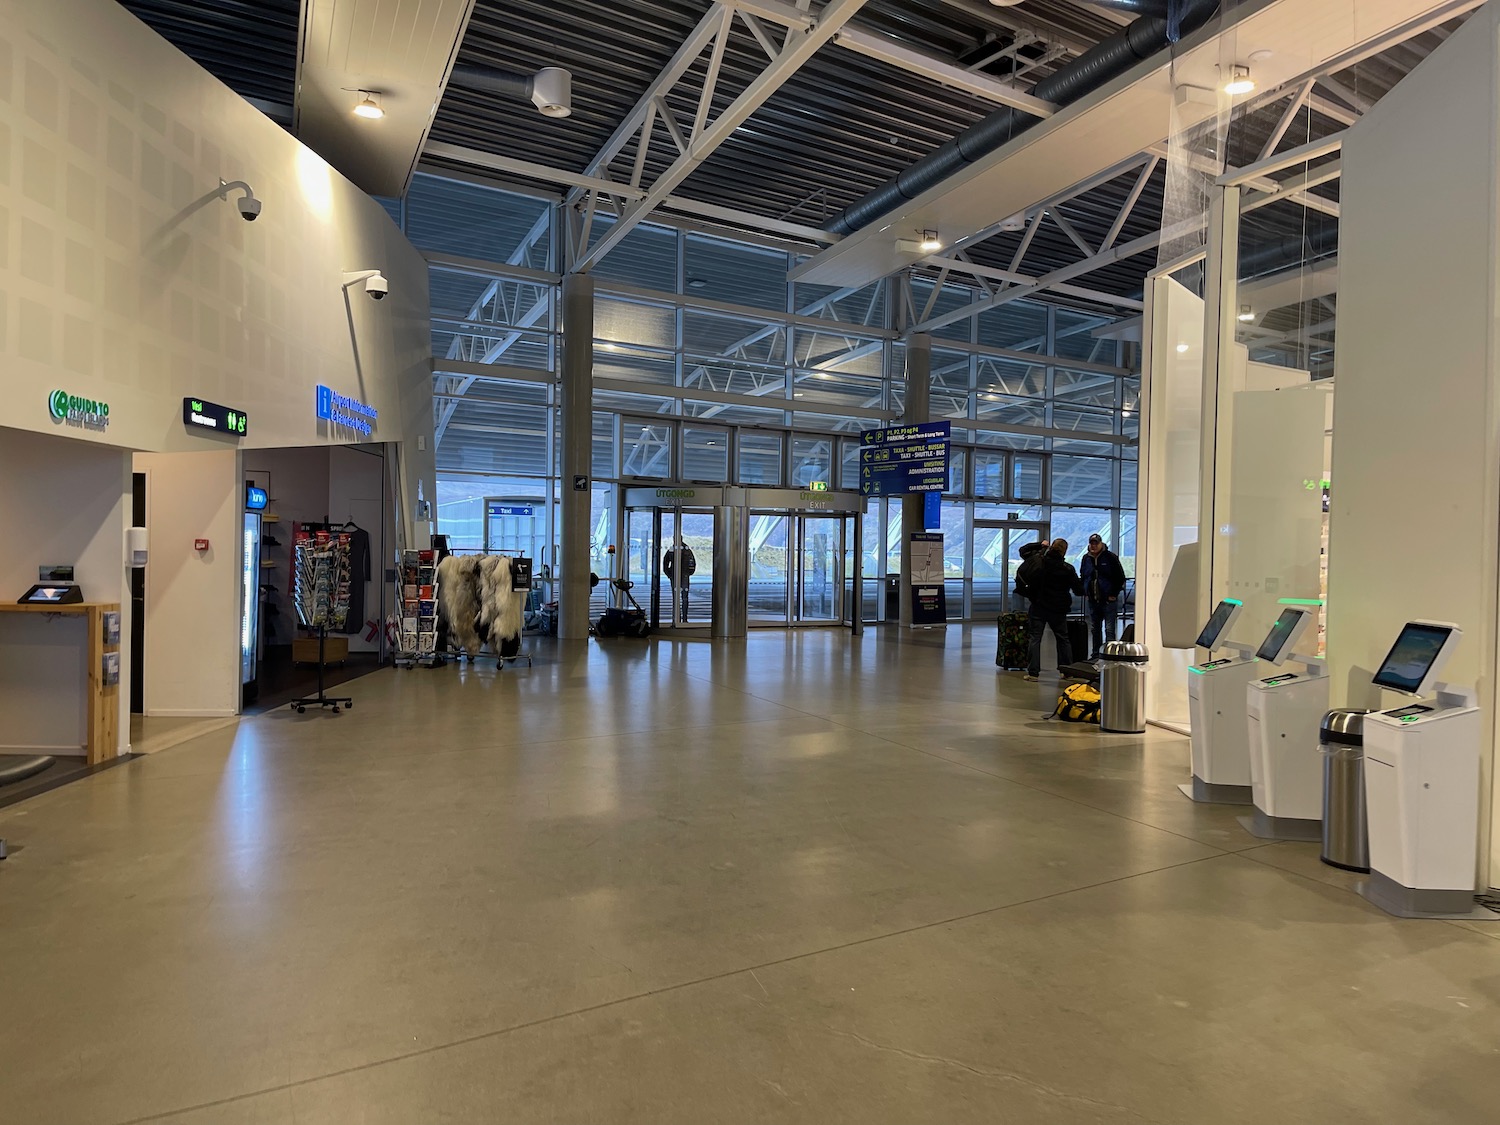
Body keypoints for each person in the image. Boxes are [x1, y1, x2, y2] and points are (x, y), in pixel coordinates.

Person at [1018, 538, 1083, 681]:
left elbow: (1023, 550)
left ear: (1052, 547)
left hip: (1039, 606)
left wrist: (1039, 545)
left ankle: (1033, 673)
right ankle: (1066, 670)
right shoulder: (1067, 568)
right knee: (1062, 639)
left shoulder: (1039, 562)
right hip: (1058, 608)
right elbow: (1079, 590)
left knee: (1035, 639)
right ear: (1065, 551)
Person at [1079, 533, 1127, 660]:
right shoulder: (1086, 559)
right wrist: (1086, 592)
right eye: (1092, 543)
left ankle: (1109, 654)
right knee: (1095, 628)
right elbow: (1084, 576)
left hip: (1108, 600)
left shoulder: (1110, 558)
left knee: (1109, 629)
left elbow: (1119, 577)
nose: (1093, 546)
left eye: (1096, 543)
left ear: (1101, 544)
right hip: (1093, 600)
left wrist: (1113, 594)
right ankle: (1095, 654)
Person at [662, 535, 696, 621]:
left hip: (683, 575)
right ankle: (677, 618)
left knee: (684, 598)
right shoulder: (673, 549)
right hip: (676, 575)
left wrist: (689, 572)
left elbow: (692, 562)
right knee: (676, 598)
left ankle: (684, 618)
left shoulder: (685, 549)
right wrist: (669, 573)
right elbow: (665, 561)